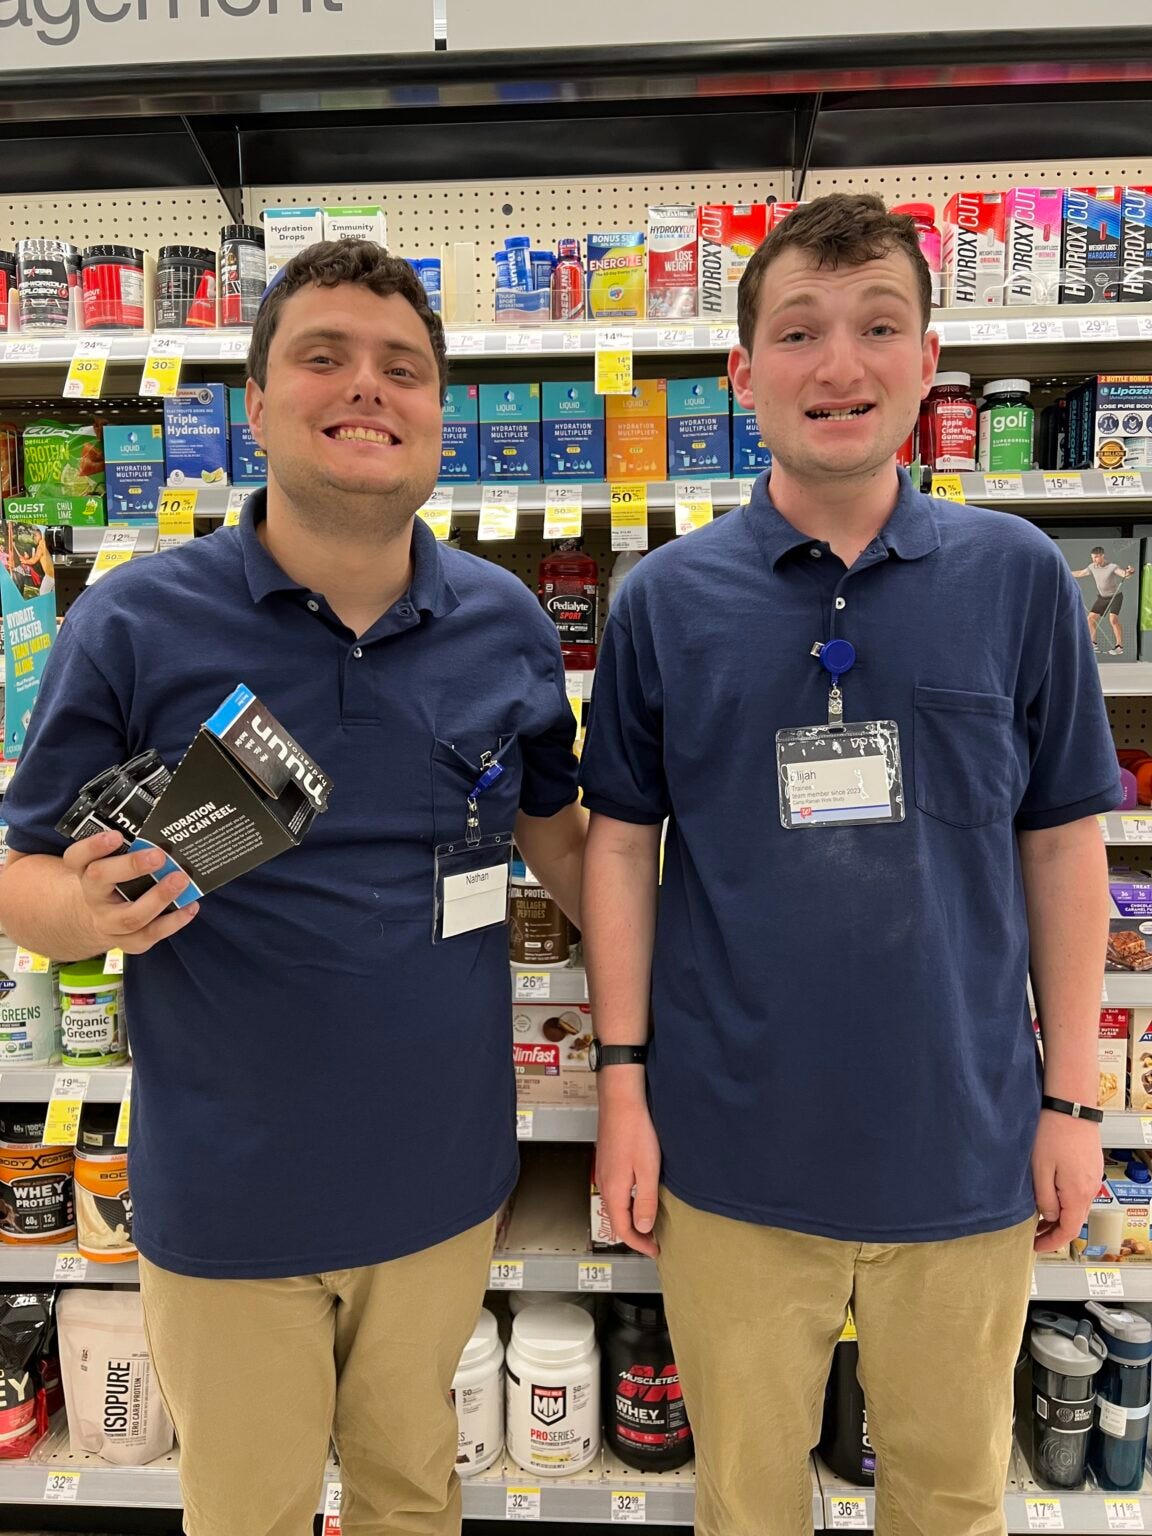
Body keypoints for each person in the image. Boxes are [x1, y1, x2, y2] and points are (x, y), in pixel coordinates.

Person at [0, 241, 585, 1536]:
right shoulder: (135, 622)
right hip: (227, 1194)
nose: (366, 388)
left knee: (410, 1498)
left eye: (403, 368)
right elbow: (19, 873)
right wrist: (86, 915)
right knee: (247, 1512)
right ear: (255, 404)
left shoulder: (509, 625)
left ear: (442, 411)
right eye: (324, 356)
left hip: (440, 1186)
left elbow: (563, 839)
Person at [579, 194, 1118, 1536]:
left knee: (949, 1497)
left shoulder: (1020, 576)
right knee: (747, 1502)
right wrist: (625, 1086)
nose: (841, 366)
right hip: (730, 1152)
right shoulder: (664, 602)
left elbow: (1062, 842)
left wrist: (1073, 1099)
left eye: (880, 327)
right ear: (741, 373)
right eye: (801, 332)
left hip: (966, 1145)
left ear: (930, 362)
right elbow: (620, 848)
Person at [1069, 545, 1136, 655]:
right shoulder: (1092, 567)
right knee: (1090, 618)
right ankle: (1093, 644)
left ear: (1102, 556)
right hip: (1103, 597)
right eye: (1092, 558)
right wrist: (1066, 573)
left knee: (1113, 619)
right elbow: (1081, 573)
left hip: (1115, 597)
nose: (1094, 560)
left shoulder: (1112, 567)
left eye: (1096, 557)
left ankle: (1119, 647)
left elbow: (1125, 575)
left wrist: (1130, 572)